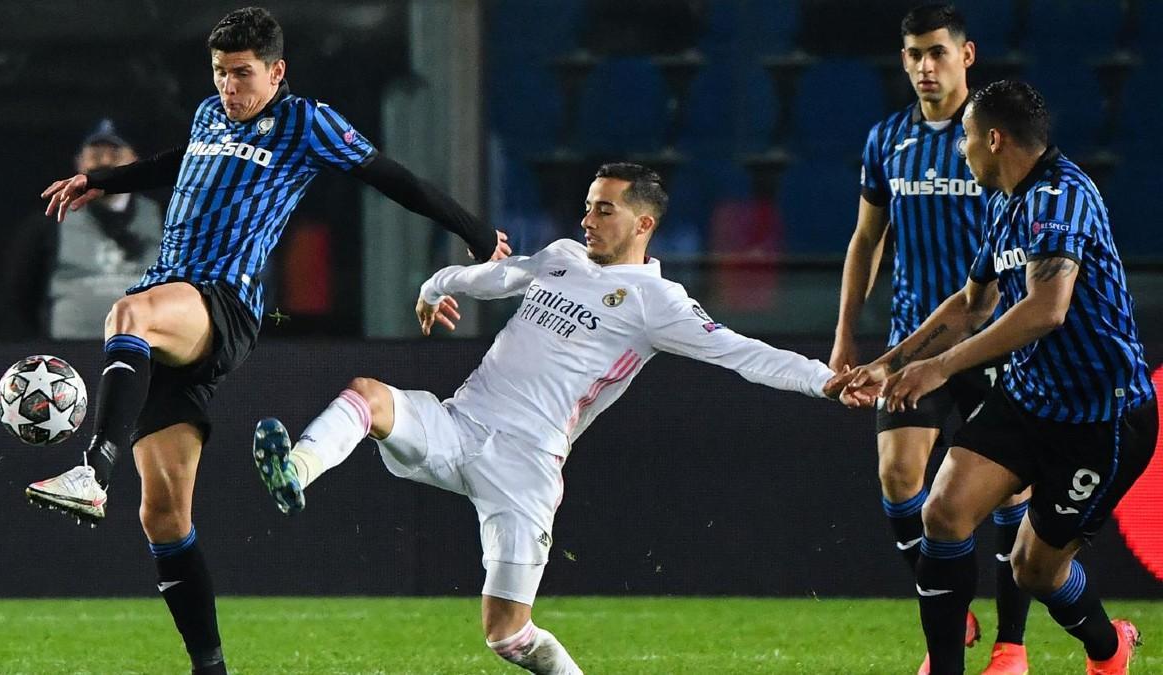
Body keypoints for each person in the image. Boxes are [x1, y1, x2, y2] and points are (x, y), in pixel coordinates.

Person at [22, 7, 509, 674]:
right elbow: (179, 161)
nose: (230, 86)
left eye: (243, 74)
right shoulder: (208, 114)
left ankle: (91, 468)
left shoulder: (308, 122)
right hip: (176, 313)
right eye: (221, 73)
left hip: (222, 301)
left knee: (126, 315)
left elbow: (393, 177)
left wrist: (476, 234)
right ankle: (212, 668)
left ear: (277, 72)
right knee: (163, 515)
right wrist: (100, 180)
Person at [250, 163, 872, 674]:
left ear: (643, 223)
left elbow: (744, 354)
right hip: (459, 424)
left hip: (526, 469)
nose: (588, 218)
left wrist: (823, 380)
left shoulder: (660, 304)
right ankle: (296, 472)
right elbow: (492, 278)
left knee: (506, 635)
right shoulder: (562, 258)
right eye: (588, 205)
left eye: (605, 209)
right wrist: (437, 285)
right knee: (369, 396)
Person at [849, 80, 1155, 675]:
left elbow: (1048, 307)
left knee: (1034, 569)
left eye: (965, 139)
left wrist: (941, 366)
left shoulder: (1065, 197)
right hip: (1030, 398)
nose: (961, 152)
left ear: (994, 139)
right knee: (944, 511)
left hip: (1103, 416)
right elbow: (972, 304)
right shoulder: (1005, 202)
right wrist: (894, 360)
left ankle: (1108, 647)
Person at [829, 5, 1031, 672]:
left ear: (966, 55)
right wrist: (844, 335)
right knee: (896, 477)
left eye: (936, 53)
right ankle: (946, 602)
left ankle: (1010, 647)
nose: (923, 66)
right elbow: (867, 239)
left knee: (1010, 492)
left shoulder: (996, 136)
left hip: (992, 339)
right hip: (913, 343)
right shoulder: (887, 138)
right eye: (913, 53)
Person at [6, 120, 164, 339]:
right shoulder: (47, 223)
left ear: (135, 161)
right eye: (96, 156)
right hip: (71, 352)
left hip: (146, 352)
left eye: (116, 155)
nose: (106, 162)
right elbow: (22, 292)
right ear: (79, 164)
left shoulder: (166, 217)